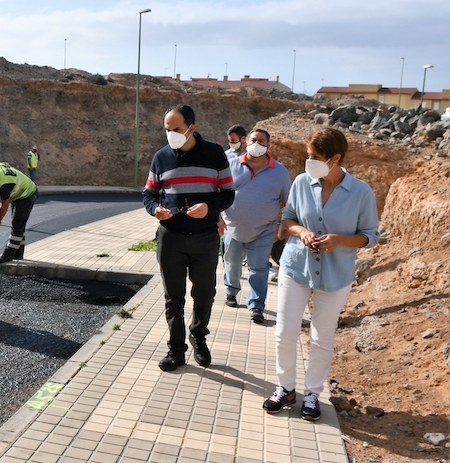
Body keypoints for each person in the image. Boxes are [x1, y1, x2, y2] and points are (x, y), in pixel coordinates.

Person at [262, 127, 379, 421]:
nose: (309, 161)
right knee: (285, 332)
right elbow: (288, 220)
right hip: (296, 266)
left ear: (335, 158)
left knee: (321, 336)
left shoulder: (361, 192)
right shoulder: (301, 182)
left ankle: (312, 393)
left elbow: (370, 236)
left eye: (315, 156)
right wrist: (301, 232)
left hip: (336, 273)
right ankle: (285, 388)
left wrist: (338, 239)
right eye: (308, 155)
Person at [142, 104, 235, 371]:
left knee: (204, 294)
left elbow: (228, 193)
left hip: (205, 238)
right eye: (167, 129)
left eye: (177, 129)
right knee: (174, 297)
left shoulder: (214, 154)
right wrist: (155, 210)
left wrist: (209, 207)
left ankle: (198, 336)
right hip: (170, 238)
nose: (170, 134)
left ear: (192, 127)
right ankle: (176, 349)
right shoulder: (161, 157)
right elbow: (148, 194)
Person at [219, 129, 291, 323]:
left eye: (261, 141)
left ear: (268, 145)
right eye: (253, 140)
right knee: (231, 262)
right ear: (246, 142)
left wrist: (283, 226)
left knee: (259, 268)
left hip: (264, 230)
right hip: (232, 228)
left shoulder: (279, 172)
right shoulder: (231, 165)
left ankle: (257, 304)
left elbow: (288, 202)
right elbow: (218, 193)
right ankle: (231, 291)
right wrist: (218, 219)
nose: (256, 144)